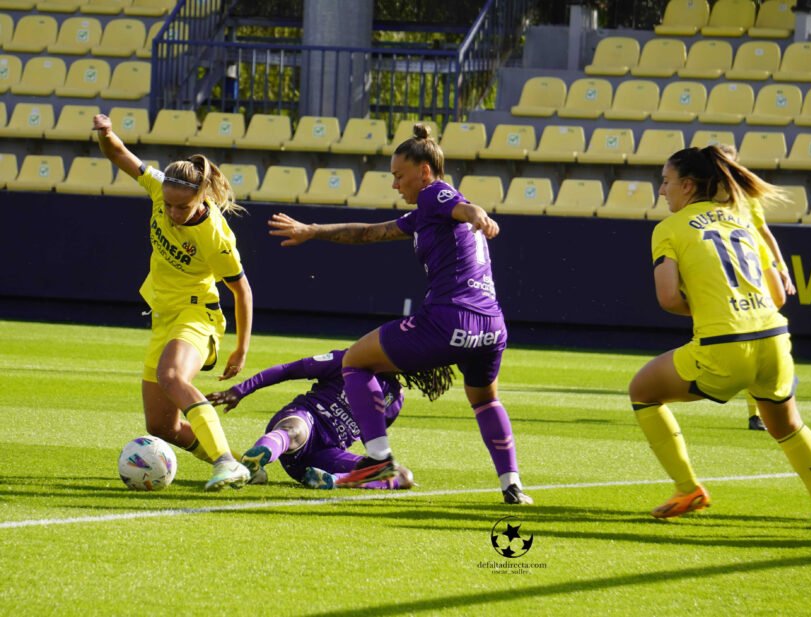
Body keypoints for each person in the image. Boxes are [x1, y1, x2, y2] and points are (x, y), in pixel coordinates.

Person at [267, 123, 530, 504]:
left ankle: (378, 461)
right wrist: (314, 230)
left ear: (423, 172)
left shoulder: (433, 194)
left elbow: (462, 206)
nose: (395, 185)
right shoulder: (426, 215)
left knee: (356, 361)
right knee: (487, 401)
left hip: (449, 318)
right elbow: (368, 233)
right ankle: (512, 485)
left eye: (398, 175)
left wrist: (478, 215)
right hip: (491, 326)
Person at [628, 146, 811, 529]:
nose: (662, 191)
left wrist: (713, 308)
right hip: (774, 336)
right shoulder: (740, 219)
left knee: (642, 391)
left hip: (724, 344)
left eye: (666, 181)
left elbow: (667, 298)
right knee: (788, 426)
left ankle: (687, 488)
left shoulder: (669, 229)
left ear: (689, 185)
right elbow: (779, 295)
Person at [93, 113, 253, 491]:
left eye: (183, 207)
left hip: (198, 315)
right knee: (161, 426)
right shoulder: (160, 189)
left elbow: (241, 290)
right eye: (169, 205)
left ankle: (226, 462)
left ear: (201, 198)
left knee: (172, 377)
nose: (173, 213)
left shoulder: (214, 235)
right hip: (163, 316)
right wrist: (106, 132)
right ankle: (240, 464)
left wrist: (241, 350)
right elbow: (118, 154)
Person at [207, 349, 455, 490]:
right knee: (294, 432)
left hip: (324, 454)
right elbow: (288, 370)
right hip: (307, 420)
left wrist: (372, 467)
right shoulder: (349, 360)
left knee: (402, 475)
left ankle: (330, 480)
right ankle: (254, 460)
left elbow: (373, 441)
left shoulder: (394, 400)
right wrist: (240, 390)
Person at [719, 144, 797, 432]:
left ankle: (759, 409)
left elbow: (765, 234)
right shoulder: (709, 201)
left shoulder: (747, 197)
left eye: (728, 163)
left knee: (759, 335)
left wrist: (782, 268)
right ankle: (761, 404)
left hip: (756, 270)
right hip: (731, 275)